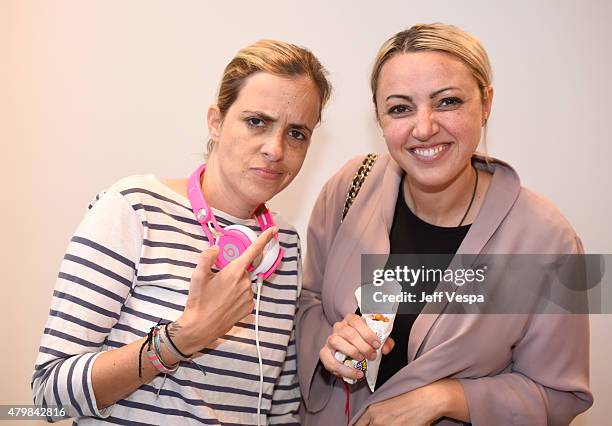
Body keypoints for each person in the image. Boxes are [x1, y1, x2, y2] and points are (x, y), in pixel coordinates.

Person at [296, 23, 592, 425]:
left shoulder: (546, 239)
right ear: (380, 118)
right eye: (400, 108)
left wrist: (447, 398)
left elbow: (559, 394)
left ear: (486, 103)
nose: (424, 128)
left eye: (448, 101)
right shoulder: (351, 187)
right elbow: (307, 303)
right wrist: (328, 344)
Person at [32, 39, 331, 425]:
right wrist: (180, 340)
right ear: (216, 120)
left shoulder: (283, 245)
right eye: (257, 121)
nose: (275, 148)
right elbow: (47, 396)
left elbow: (280, 410)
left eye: (297, 133)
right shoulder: (134, 207)